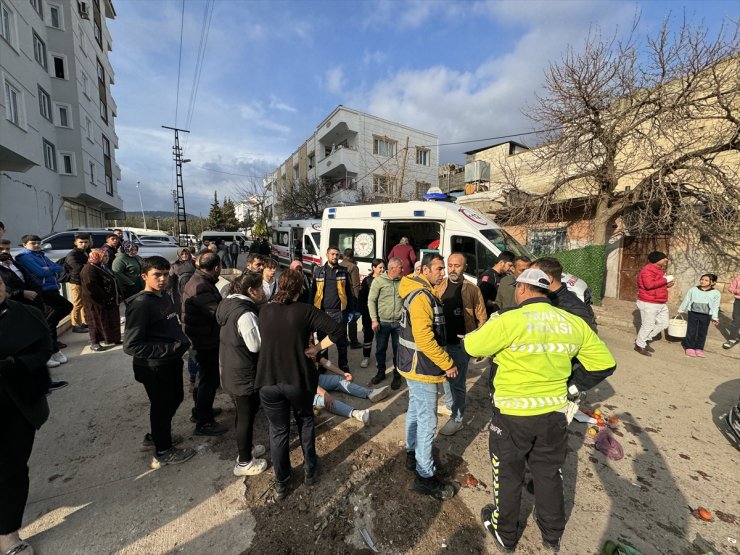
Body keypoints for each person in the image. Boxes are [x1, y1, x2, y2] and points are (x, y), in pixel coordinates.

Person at [464, 268, 616, 553]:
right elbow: (605, 364)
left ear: (522, 289)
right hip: (553, 414)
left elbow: (472, 346)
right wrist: (573, 386)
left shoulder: (509, 320)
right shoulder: (572, 322)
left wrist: (492, 325)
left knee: (508, 473)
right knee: (548, 472)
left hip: (512, 415)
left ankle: (505, 533)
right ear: (547, 292)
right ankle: (552, 534)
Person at [255, 270, 345, 501]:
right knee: (305, 420)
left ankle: (281, 481)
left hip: (267, 380)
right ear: (301, 289)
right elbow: (337, 330)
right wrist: (316, 349)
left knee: (278, 431)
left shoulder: (264, 310)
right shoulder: (304, 311)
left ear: (277, 285)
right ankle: (309, 468)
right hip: (298, 379)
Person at [123, 256, 195, 467]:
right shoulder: (141, 304)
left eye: (165, 274)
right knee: (162, 406)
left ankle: (158, 435)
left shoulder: (163, 296)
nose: (163, 279)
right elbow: (131, 345)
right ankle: (163, 450)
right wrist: (170, 348)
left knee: (175, 399)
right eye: (157, 275)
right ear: (144, 276)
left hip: (170, 363)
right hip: (155, 367)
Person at [397, 253, 458, 500]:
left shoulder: (418, 289)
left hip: (412, 365)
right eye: (439, 269)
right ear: (424, 270)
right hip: (421, 366)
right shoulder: (422, 297)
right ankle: (424, 475)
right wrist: (447, 363)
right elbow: (424, 338)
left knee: (415, 410)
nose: (442, 273)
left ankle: (412, 453)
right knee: (427, 421)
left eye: (443, 269)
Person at [0, 279, 54, 555]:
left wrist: (14, 364)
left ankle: (8, 533)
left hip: (18, 402)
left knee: (12, 467)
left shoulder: (25, 314)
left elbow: (44, 350)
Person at [216, 272, 268, 476]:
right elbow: (255, 346)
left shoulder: (228, 305)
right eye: (261, 288)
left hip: (229, 369)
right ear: (251, 291)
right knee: (246, 417)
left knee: (243, 414)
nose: (263, 292)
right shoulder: (245, 314)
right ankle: (244, 463)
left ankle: (246, 449)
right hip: (243, 374)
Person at [435, 253, 487, 436]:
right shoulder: (439, 285)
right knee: (446, 379)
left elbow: (482, 318)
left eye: (457, 265)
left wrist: (478, 343)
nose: (452, 269)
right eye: (449, 265)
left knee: (458, 383)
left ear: (465, 267)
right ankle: (451, 406)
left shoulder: (472, 289)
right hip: (442, 344)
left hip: (460, 344)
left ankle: (457, 419)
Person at [182, 252, 226, 435]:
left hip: (200, 338)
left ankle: (200, 411)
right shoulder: (201, 286)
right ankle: (204, 422)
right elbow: (217, 313)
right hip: (204, 341)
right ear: (216, 268)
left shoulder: (199, 280)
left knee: (204, 378)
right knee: (209, 380)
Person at [15, 234, 71, 366]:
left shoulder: (41, 255)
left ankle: (53, 348)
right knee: (65, 307)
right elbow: (40, 273)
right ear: (25, 244)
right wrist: (48, 270)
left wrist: (48, 269)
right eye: (32, 243)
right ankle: (50, 350)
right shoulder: (24, 257)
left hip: (52, 287)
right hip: (42, 290)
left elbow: (59, 267)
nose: (36, 245)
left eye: (38, 243)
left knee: (53, 319)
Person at [310, 246, 354, 372]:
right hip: (322, 313)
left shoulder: (343, 271)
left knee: (341, 342)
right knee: (323, 342)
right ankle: (323, 366)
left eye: (337, 254)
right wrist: (311, 311)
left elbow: (348, 292)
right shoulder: (318, 271)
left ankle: (343, 365)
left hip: (339, 313)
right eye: (332, 254)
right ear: (327, 255)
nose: (335, 257)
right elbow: (313, 292)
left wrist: (351, 310)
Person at [313, 355, 390, 425]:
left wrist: (343, 373)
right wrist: (325, 394)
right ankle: (357, 413)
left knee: (338, 380)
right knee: (324, 400)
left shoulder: (309, 346)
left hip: (315, 378)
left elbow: (325, 362)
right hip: (304, 389)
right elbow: (308, 383)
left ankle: (370, 393)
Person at [530, 257, 597, 332]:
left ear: (548, 279)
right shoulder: (544, 297)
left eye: (533, 276)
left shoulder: (572, 308)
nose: (529, 279)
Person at [368, 257, 404, 389]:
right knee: (380, 349)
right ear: (393, 268)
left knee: (398, 350)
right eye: (401, 268)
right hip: (382, 323)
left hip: (399, 323)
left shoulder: (403, 281)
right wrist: (374, 320)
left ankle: (397, 376)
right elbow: (371, 300)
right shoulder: (378, 281)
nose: (403, 270)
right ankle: (381, 372)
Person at [80, 249, 121, 351]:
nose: (106, 258)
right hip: (95, 302)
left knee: (110, 320)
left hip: (109, 300)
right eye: (104, 256)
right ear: (96, 256)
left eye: (107, 256)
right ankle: (95, 342)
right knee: (95, 322)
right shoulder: (89, 269)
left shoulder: (101, 266)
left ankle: (113, 338)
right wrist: (104, 297)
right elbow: (92, 288)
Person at [634, 251, 674, 356]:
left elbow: (657, 285)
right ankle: (639, 344)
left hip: (660, 301)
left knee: (664, 323)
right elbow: (649, 285)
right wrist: (665, 280)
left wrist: (667, 285)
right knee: (648, 325)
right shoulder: (647, 270)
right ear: (657, 259)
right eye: (663, 258)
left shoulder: (659, 270)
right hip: (648, 302)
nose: (666, 260)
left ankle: (643, 340)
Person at [678, 273, 721, 357]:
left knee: (702, 332)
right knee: (691, 330)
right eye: (702, 279)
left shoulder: (716, 293)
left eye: (706, 280)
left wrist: (715, 317)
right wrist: (681, 309)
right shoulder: (693, 290)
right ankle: (689, 347)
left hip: (706, 315)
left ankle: (699, 348)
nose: (703, 281)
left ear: (712, 282)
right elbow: (686, 300)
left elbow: (716, 306)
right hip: (693, 313)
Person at [0, 239, 43, 312]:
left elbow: (29, 278)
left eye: (7, 249)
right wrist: (22, 293)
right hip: (13, 307)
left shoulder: (15, 264)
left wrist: (37, 292)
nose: (5, 251)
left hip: (32, 304)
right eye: (1, 249)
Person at [358, 259, 385, 368]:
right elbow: (362, 297)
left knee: (381, 338)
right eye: (380, 267)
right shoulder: (367, 280)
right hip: (368, 314)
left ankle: (380, 358)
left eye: (383, 267)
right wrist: (361, 311)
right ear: (374, 268)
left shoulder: (386, 279)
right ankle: (366, 357)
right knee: (368, 336)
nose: (382, 270)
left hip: (382, 314)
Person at [65, 233, 91, 333]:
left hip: (83, 280)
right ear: (75, 243)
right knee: (77, 303)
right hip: (76, 281)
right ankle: (75, 324)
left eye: (86, 242)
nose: (83, 244)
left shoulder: (85, 252)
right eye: (81, 242)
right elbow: (76, 267)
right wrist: (89, 266)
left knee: (84, 303)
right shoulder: (72, 254)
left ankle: (84, 323)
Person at [479, 251, 515, 315]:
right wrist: (498, 304)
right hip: (489, 315)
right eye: (509, 265)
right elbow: (481, 298)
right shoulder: (489, 276)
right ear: (501, 262)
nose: (510, 269)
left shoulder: (503, 276)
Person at [341, 248, 362, 349]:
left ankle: (344, 340)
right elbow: (355, 285)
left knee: (344, 318)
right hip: (351, 297)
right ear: (352, 256)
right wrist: (357, 299)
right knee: (353, 319)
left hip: (341, 296)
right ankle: (354, 341)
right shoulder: (353, 267)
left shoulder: (339, 265)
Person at [168, 247, 196, 315]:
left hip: (193, 290)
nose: (184, 255)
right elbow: (170, 279)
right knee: (181, 310)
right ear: (178, 255)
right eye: (182, 254)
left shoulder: (194, 264)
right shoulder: (175, 265)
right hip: (179, 292)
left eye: (186, 253)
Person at [723, 275, 740, 350]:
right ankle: (732, 339)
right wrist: (736, 291)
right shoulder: (738, 278)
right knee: (736, 321)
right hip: (738, 301)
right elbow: (730, 288)